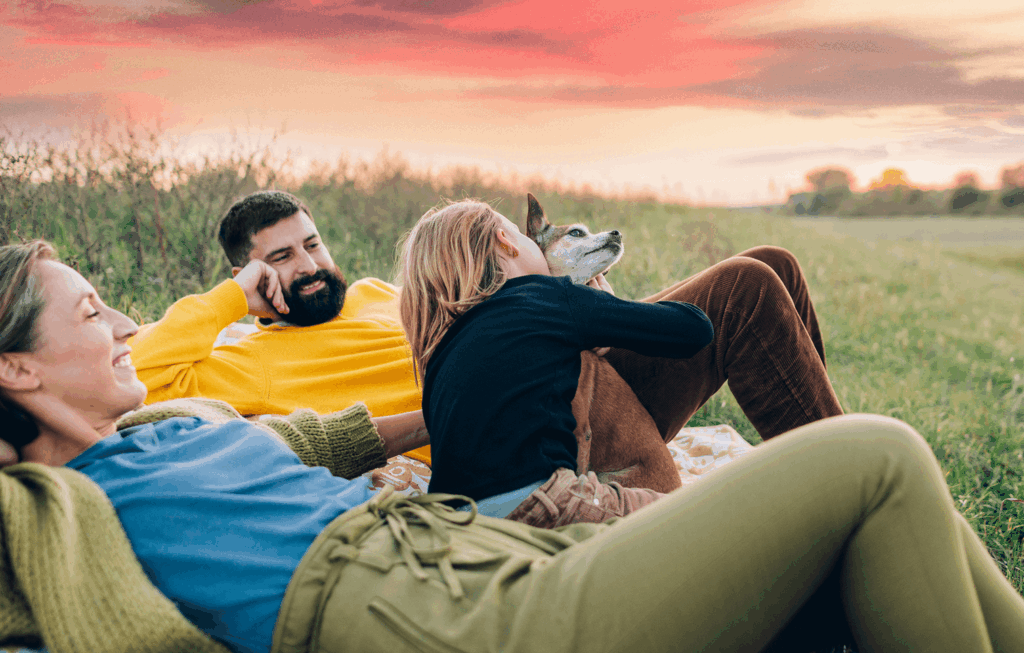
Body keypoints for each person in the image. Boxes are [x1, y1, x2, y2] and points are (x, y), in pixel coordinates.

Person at [5, 241, 1024, 653]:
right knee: (870, 456)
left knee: (842, 557)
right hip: (431, 615)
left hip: (488, 552)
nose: (124, 327)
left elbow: (325, 436)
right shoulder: (52, 507)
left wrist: (459, 403)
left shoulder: (178, 426)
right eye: (93, 313)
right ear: (17, 371)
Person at [127, 190, 844, 469]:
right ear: (247, 275)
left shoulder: (382, 292)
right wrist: (230, 301)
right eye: (280, 258)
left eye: (312, 243)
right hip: (535, 427)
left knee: (768, 261)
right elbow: (141, 372)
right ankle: (851, 477)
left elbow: (493, 317)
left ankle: (843, 463)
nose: (310, 264)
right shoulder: (243, 358)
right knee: (747, 290)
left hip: (578, 369)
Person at [397, 200, 715, 525]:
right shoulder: (549, 295)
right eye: (522, 236)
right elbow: (694, 329)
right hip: (538, 503)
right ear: (505, 240)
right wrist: (608, 304)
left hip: (449, 516)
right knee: (697, 515)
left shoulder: (444, 349)